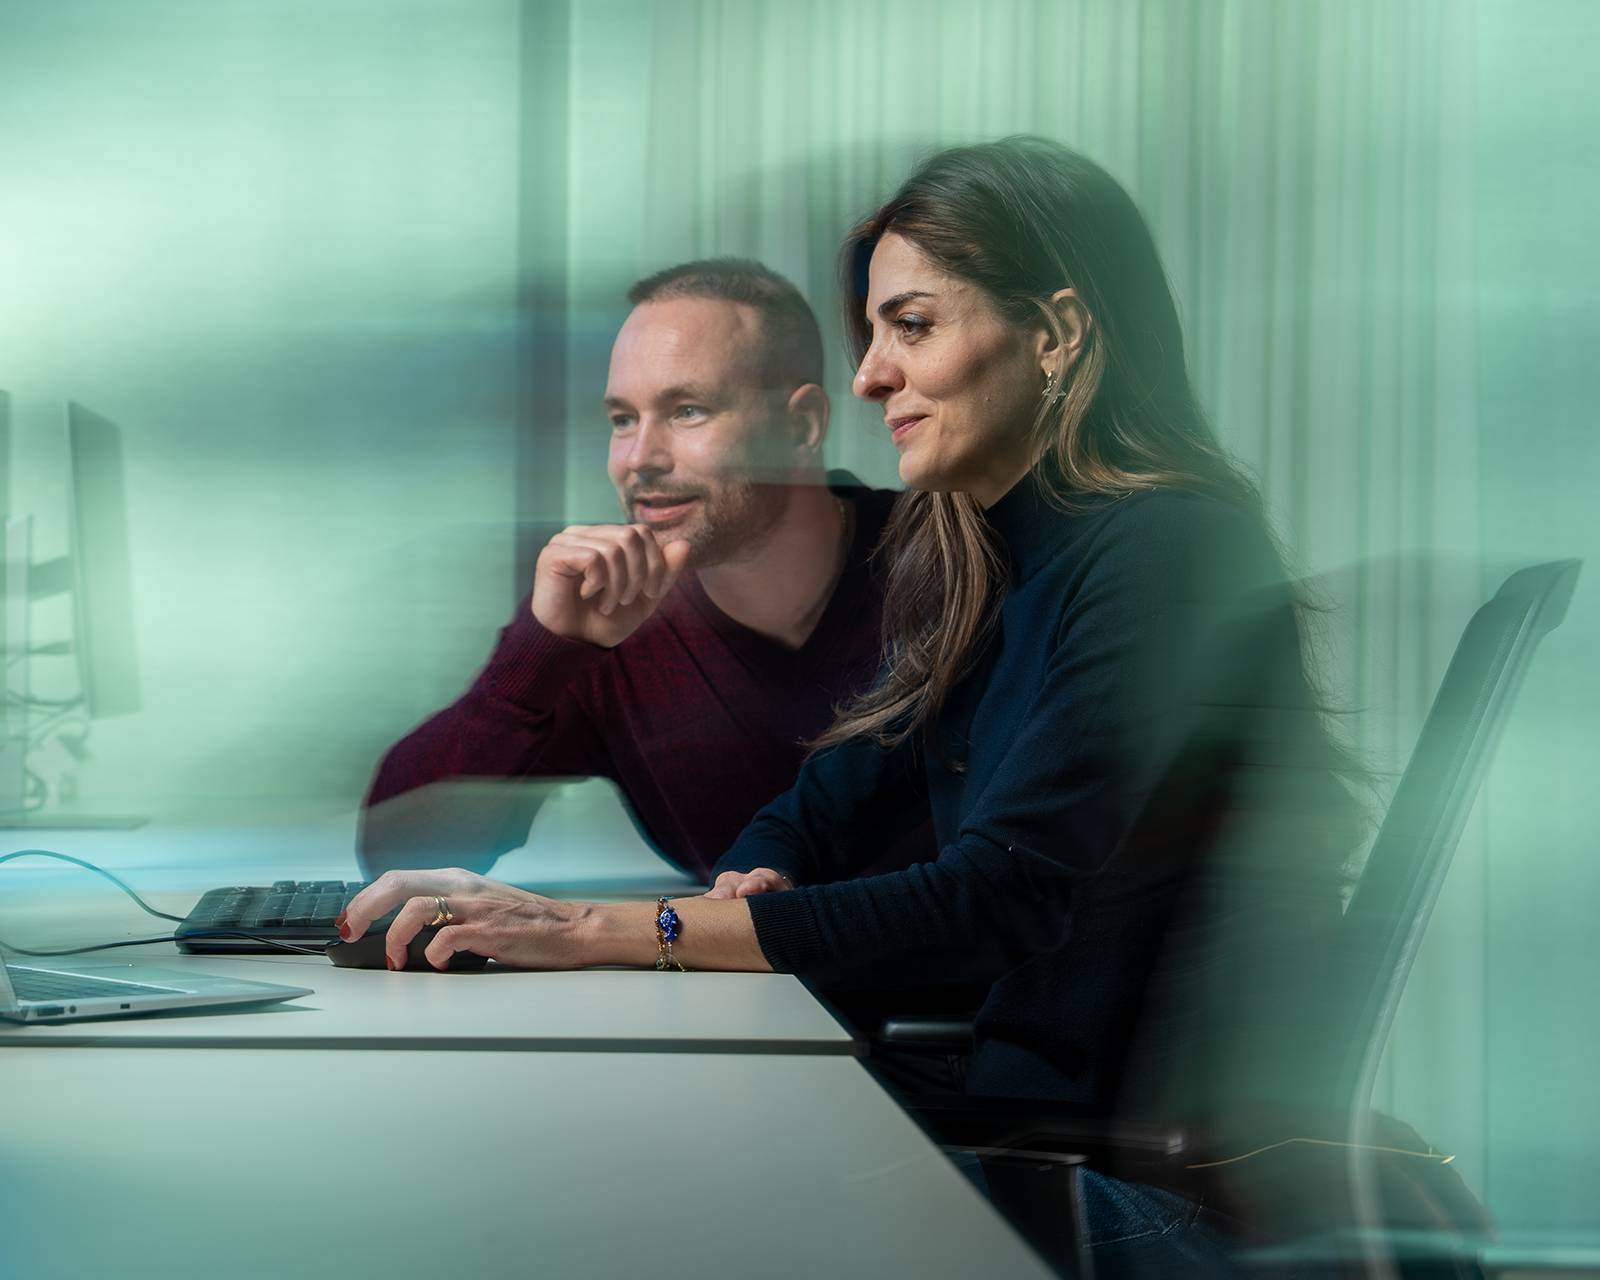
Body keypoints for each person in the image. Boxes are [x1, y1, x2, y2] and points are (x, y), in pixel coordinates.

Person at [340, 139, 1335, 1273]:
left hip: (1131, 1186)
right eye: (874, 335)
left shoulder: (1165, 550)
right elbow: (838, 785)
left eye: (912, 327)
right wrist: (751, 869)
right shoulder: (1005, 549)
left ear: (1055, 334)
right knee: (552, 1155)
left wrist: (598, 928)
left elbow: (1000, 898)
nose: (874, 375)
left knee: (582, 1205)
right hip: (1016, 1125)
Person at [359, 259, 913, 883]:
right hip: (744, 983)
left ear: (801, 425)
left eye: (687, 411)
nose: (639, 460)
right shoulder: (614, 615)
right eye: (623, 419)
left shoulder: (949, 563)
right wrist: (542, 653)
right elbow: (398, 858)